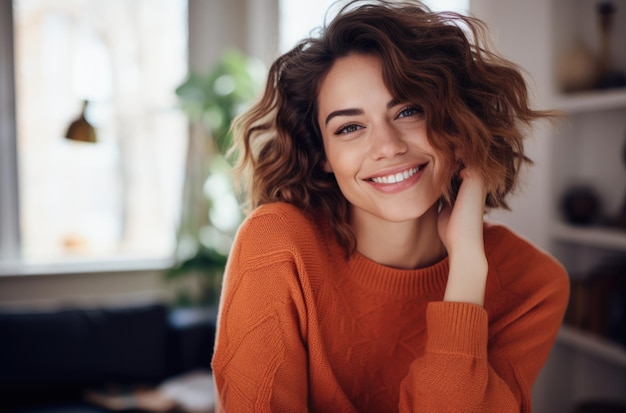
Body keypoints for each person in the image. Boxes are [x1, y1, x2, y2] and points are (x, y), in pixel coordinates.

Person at [211, 1, 569, 411]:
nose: (388, 147)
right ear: (323, 152)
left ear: (456, 123)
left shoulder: (534, 285)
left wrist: (468, 268)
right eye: (349, 127)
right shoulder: (277, 244)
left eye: (409, 110)